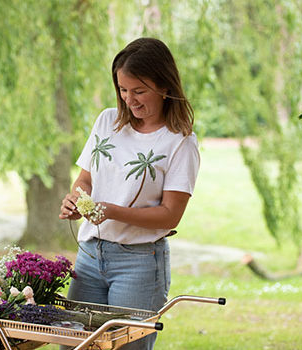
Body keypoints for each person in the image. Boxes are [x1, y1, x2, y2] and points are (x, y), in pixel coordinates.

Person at [58, 37, 200, 350]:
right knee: (73, 346)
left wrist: (111, 211)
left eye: (139, 91)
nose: (129, 100)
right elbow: (85, 180)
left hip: (140, 264)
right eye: (123, 90)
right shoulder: (108, 120)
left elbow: (170, 214)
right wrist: (75, 198)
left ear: (164, 86)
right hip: (90, 257)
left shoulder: (180, 142)